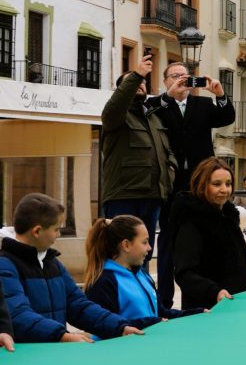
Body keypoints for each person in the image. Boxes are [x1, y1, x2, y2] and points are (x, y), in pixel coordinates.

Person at [148, 61, 236, 309]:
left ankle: (204, 295)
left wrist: (219, 95)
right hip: (170, 181)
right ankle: (163, 300)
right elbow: (148, 112)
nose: (181, 80)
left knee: (204, 236)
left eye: (185, 76)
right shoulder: (158, 104)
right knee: (167, 240)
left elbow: (226, 116)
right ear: (165, 81)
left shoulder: (202, 104)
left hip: (200, 180)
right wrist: (168, 96)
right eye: (175, 76)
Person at [0, 194, 143, 343]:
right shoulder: (5, 266)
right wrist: (62, 336)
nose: (59, 234)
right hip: (25, 358)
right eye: (56, 229)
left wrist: (119, 327)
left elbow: (78, 306)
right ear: (37, 231)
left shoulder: (52, 262)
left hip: (54, 352)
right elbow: (18, 315)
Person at [100, 50, 176, 264]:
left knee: (143, 253)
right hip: (123, 196)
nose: (141, 84)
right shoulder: (116, 117)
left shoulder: (153, 119)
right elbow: (115, 106)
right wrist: (136, 75)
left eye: (143, 82)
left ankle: (141, 293)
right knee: (119, 253)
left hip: (152, 197)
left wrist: (171, 172)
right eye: (135, 82)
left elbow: (167, 151)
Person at [171, 158, 246, 310]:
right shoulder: (191, 223)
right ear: (202, 185)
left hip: (235, 308)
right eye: (216, 184)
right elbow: (185, 274)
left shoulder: (228, 219)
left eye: (228, 184)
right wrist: (215, 292)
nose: (224, 190)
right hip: (207, 312)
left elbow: (235, 272)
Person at [84, 216, 204, 331]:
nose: (149, 248)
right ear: (126, 245)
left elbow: (161, 313)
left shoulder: (142, 275)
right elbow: (105, 325)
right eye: (145, 242)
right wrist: (151, 324)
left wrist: (196, 314)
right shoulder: (103, 282)